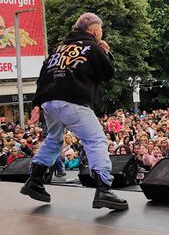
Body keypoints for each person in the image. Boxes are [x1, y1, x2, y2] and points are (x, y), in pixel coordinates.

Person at [20, 13, 128, 210]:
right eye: (101, 30)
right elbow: (107, 73)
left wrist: (36, 104)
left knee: (54, 138)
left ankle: (34, 181)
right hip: (73, 100)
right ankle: (103, 189)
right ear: (95, 30)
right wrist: (105, 53)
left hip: (50, 101)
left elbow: (42, 78)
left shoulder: (58, 50)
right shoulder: (93, 47)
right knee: (96, 140)